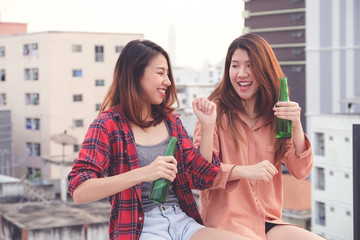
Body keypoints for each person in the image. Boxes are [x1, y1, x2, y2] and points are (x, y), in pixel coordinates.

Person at [67, 39, 248, 240]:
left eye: (168, 74)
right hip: (141, 228)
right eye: (161, 73)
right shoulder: (107, 125)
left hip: (183, 222)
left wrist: (207, 127)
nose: (168, 82)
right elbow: (80, 191)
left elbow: (201, 177)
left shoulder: (172, 122)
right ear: (136, 74)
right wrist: (143, 173)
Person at [193, 33, 326, 240]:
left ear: (264, 69)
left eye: (250, 65)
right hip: (226, 224)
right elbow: (201, 175)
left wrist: (297, 126)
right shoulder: (213, 113)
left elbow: (300, 171)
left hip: (268, 221)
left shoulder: (275, 116)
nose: (241, 73)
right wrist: (245, 171)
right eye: (235, 66)